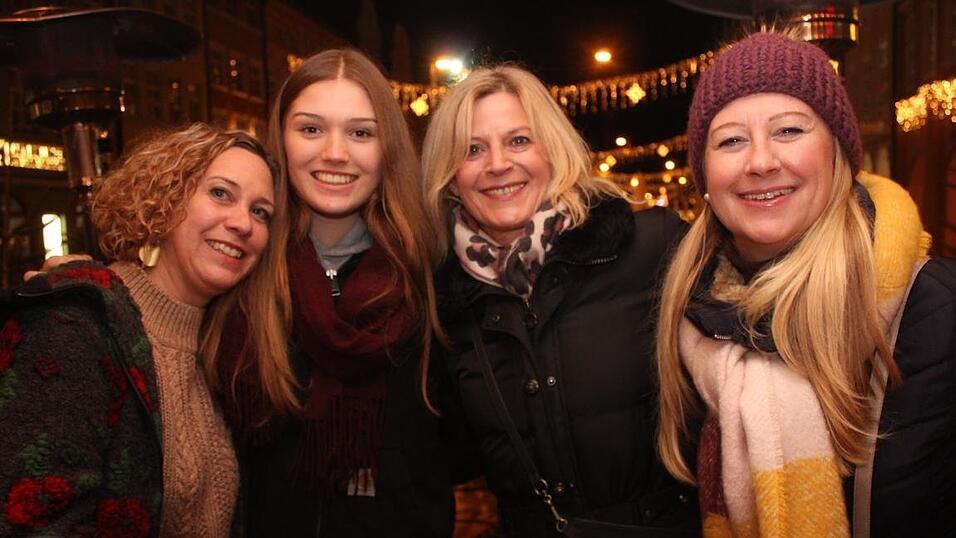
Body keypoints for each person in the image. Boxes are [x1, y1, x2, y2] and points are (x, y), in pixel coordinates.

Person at [656, 30, 956, 537]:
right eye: (730, 140)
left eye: (789, 131)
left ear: (838, 152)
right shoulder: (688, 323)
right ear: (704, 175)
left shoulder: (936, 308)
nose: (760, 161)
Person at [420, 64, 700, 536]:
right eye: (472, 149)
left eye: (518, 141)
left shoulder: (653, 246)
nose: (497, 164)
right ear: (451, 177)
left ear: (552, 149)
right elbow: (448, 455)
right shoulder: (445, 301)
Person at [208, 49, 454, 537]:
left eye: (361, 132)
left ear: (388, 149)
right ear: (281, 137)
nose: (335, 152)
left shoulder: (432, 267)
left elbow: (463, 439)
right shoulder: (238, 262)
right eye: (311, 129)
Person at [0, 123, 283, 537]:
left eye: (261, 212)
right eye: (221, 193)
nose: (243, 223)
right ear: (164, 198)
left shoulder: (226, 351)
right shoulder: (76, 323)